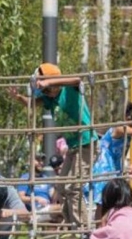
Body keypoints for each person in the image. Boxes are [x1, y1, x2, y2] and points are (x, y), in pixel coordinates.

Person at [8, 63, 96, 226]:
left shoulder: (70, 90)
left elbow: (77, 79)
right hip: (73, 147)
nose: (46, 92)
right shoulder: (51, 98)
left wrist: (49, 82)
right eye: (44, 91)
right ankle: (72, 225)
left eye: (47, 89)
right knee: (60, 188)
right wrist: (18, 97)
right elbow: (31, 102)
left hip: (86, 143)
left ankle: (83, 229)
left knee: (73, 187)